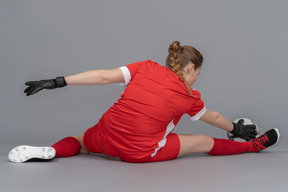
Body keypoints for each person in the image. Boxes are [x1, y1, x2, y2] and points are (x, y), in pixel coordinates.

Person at [8, 41, 280, 163]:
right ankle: (254, 146)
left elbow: (103, 76)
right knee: (204, 142)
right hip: (139, 151)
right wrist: (235, 128)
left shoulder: (144, 67)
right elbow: (213, 119)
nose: (198, 77)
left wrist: (58, 82)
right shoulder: (189, 96)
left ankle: (53, 151)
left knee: (79, 142)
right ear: (190, 68)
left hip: (106, 134)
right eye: (198, 72)